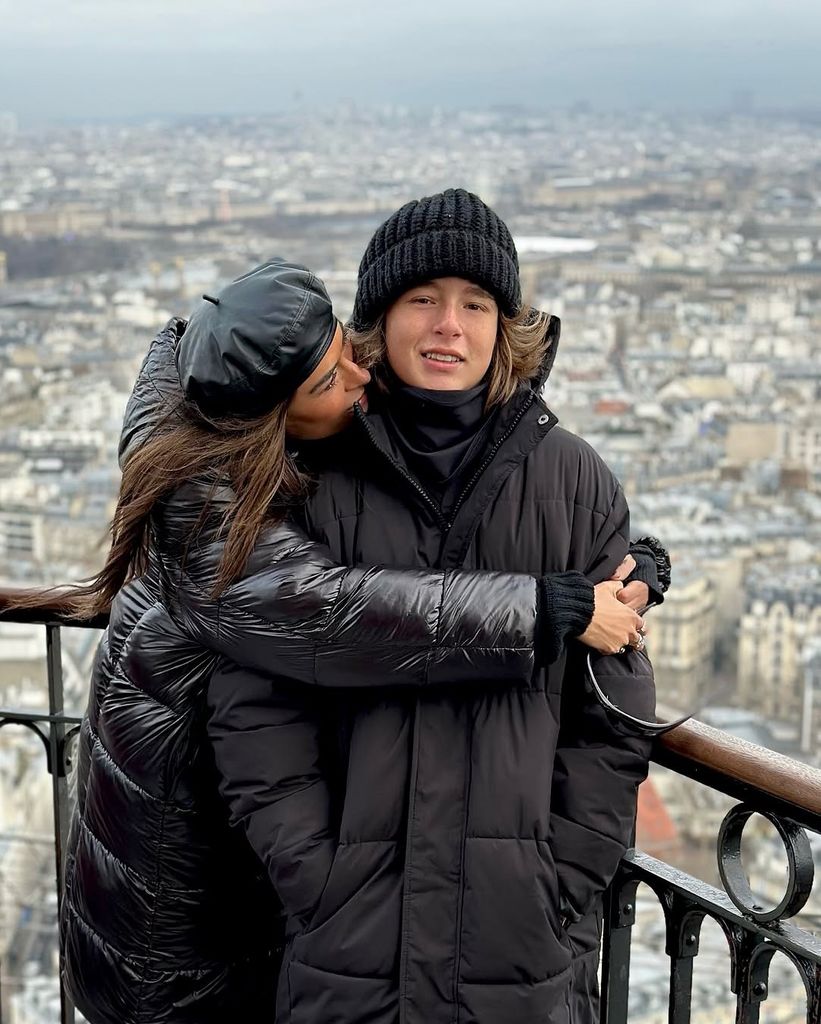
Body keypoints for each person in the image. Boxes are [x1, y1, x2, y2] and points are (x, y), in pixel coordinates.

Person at [20, 258, 650, 1023]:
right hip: (178, 930)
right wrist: (547, 606)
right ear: (272, 412)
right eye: (330, 379)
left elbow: (609, 700)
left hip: (206, 893)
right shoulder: (225, 516)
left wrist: (637, 559)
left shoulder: (216, 432)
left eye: (475, 303)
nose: (356, 377)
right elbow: (333, 615)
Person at [203, 191, 663, 1024]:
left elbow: (613, 707)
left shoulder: (574, 481)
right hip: (353, 940)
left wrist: (559, 885)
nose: (449, 325)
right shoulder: (307, 475)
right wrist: (316, 873)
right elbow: (255, 692)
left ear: (505, 327)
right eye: (423, 299)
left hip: (517, 940)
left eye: (475, 303)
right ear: (377, 321)